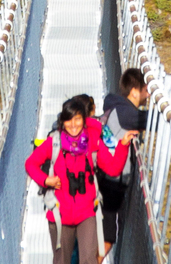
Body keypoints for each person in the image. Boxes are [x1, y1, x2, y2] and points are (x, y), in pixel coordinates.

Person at [26, 97, 133, 264]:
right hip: (59, 214)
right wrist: (46, 180)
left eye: (77, 119)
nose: (73, 124)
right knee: (61, 261)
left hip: (87, 213)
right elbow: (30, 164)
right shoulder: (54, 142)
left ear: (84, 120)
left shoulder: (93, 142)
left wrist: (123, 146)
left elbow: (113, 168)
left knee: (89, 260)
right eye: (69, 120)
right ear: (63, 122)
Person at [97, 73, 148, 259]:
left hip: (101, 178)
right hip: (111, 183)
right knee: (108, 237)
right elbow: (155, 119)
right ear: (135, 91)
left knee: (97, 233)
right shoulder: (126, 114)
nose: (148, 94)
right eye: (146, 90)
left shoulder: (113, 106)